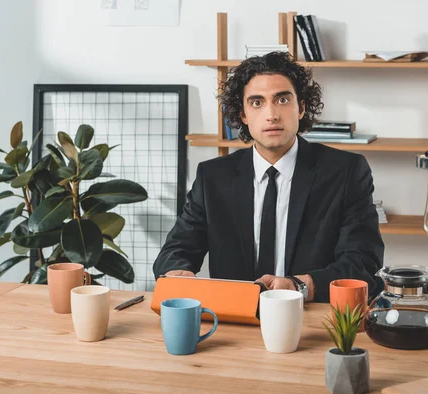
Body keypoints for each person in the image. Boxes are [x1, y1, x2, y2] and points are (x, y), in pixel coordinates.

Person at [153, 51, 384, 303]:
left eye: (282, 100)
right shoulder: (213, 177)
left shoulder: (346, 171)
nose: (271, 114)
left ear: (301, 108)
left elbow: (362, 263)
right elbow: (177, 249)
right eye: (256, 102)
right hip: (234, 318)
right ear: (242, 115)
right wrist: (177, 273)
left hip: (310, 317)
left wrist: (300, 286)